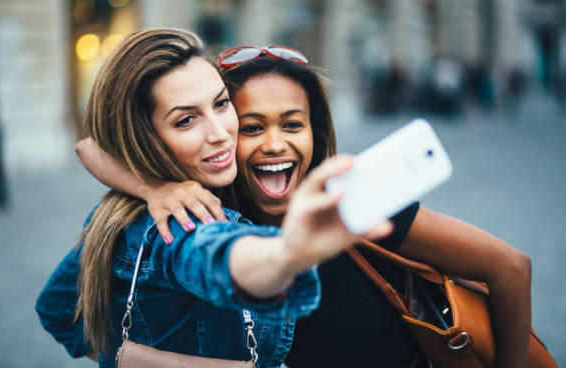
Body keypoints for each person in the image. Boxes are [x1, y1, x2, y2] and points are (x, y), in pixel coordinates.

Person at [74, 46, 532, 367]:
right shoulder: (206, 216)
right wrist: (153, 188)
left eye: (293, 124)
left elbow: (511, 266)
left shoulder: (357, 203)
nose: (276, 144)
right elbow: (90, 146)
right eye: (252, 128)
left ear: (316, 132)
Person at [35, 29, 393, 368]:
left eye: (221, 103)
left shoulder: (116, 211)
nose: (221, 134)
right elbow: (216, 255)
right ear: (145, 137)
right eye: (186, 121)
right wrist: (286, 254)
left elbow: (57, 311)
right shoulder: (180, 222)